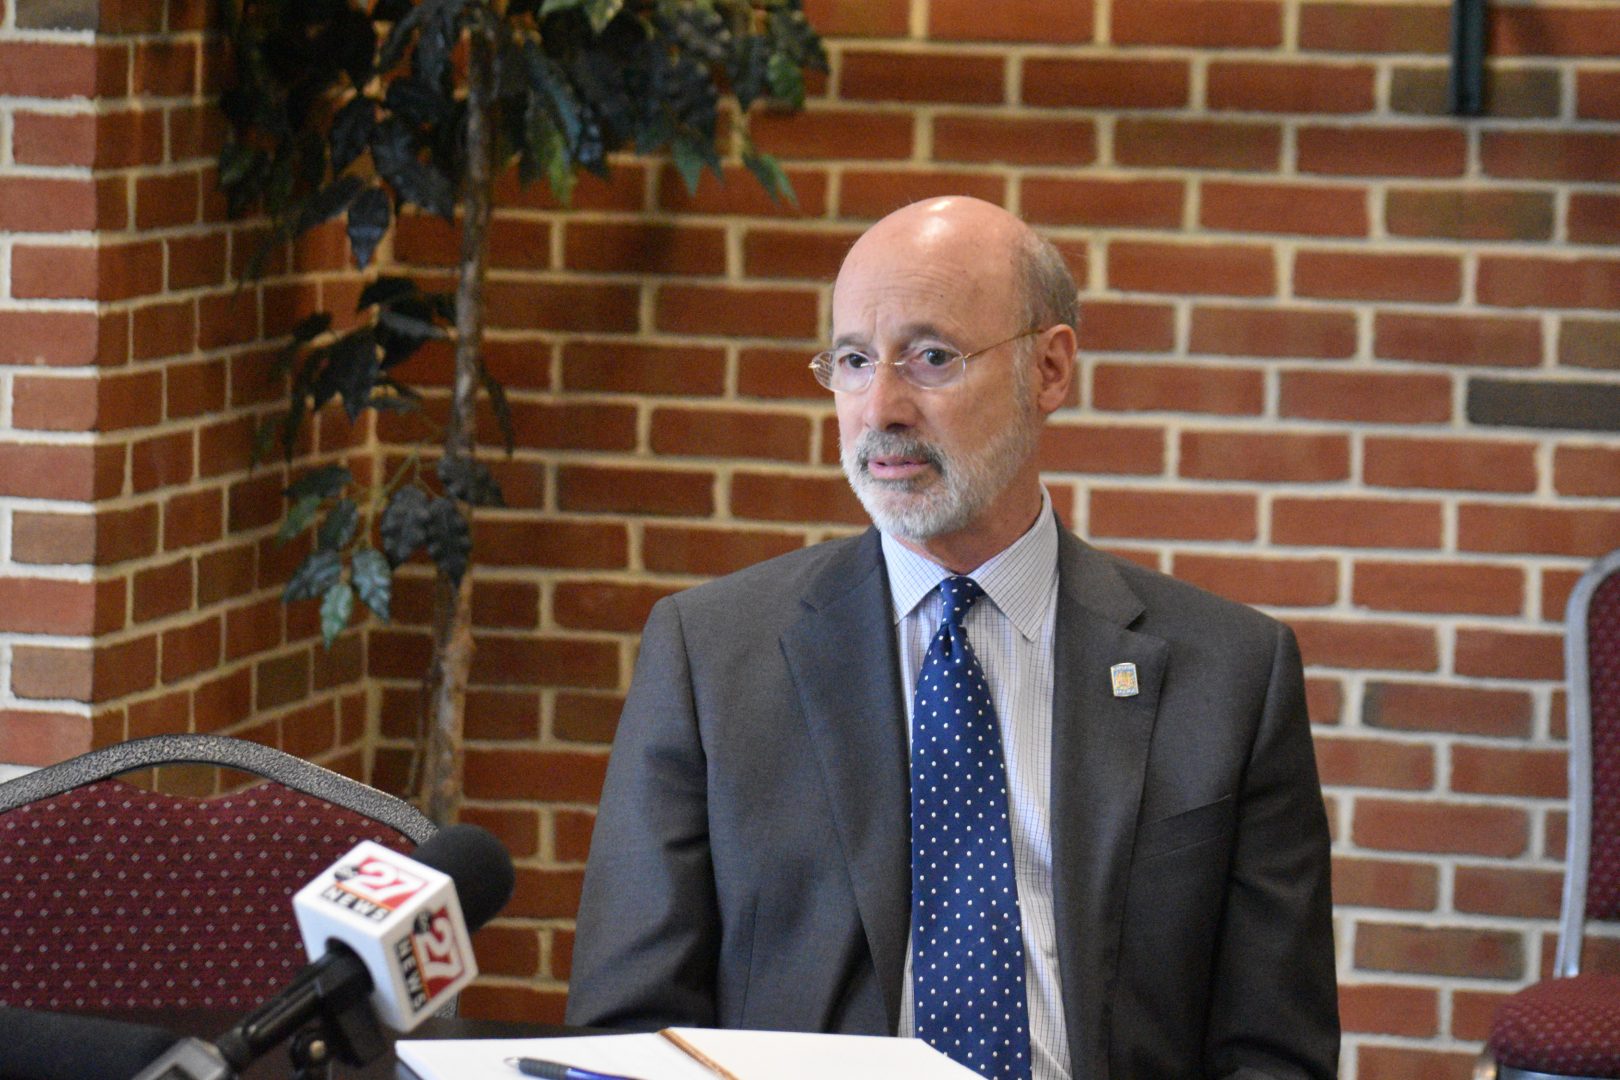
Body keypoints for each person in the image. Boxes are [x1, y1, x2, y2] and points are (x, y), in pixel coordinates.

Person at [565, 196, 1339, 1079]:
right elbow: (627, 1038)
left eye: (930, 357)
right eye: (853, 361)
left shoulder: (1231, 675)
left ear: (1049, 369)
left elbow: (1277, 1052)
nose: (881, 407)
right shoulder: (710, 657)